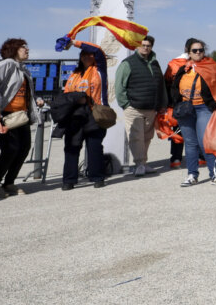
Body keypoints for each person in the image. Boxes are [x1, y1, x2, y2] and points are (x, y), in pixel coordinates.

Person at [0, 38, 40, 197]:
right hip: (4, 115)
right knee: (10, 149)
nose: (27, 50)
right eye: (23, 47)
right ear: (13, 49)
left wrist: (35, 100)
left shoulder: (23, 69)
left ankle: (9, 183)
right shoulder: (8, 64)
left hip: (21, 116)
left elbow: (21, 92)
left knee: (24, 148)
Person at [167, 38, 216, 186]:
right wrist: (175, 103)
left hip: (203, 108)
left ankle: (215, 174)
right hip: (186, 109)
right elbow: (174, 87)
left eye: (200, 50)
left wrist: (215, 104)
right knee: (190, 143)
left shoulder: (211, 66)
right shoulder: (183, 68)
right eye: (194, 50)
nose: (198, 53)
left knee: (207, 142)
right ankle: (192, 175)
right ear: (188, 52)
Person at [114, 34, 167, 176]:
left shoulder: (155, 63)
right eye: (143, 45)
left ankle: (143, 163)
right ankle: (139, 165)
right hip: (134, 108)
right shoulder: (128, 63)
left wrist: (162, 103)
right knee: (136, 137)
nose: (145, 48)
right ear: (137, 46)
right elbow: (119, 86)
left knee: (147, 137)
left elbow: (160, 84)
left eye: (148, 46)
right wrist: (125, 104)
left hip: (151, 108)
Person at [60, 45, 108, 189]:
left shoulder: (99, 69)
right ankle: (69, 180)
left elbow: (99, 50)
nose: (86, 57)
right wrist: (76, 98)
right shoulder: (74, 73)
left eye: (90, 54)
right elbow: (66, 94)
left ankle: (97, 177)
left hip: (94, 112)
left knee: (94, 147)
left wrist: (74, 42)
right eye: (83, 54)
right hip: (75, 114)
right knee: (71, 147)